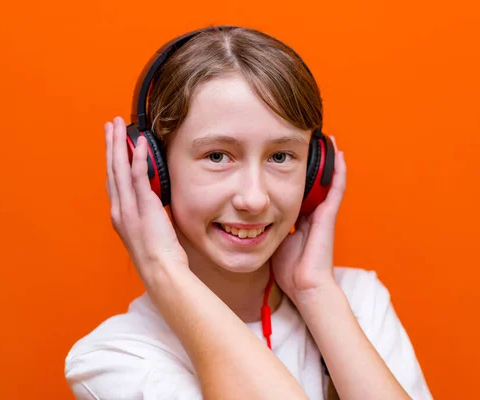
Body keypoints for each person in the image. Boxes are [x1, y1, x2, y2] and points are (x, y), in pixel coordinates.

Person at [64, 25, 433, 400]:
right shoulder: (113, 358)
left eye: (280, 156)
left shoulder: (358, 302)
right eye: (217, 156)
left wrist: (315, 292)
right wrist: (164, 271)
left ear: (314, 170)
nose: (254, 199)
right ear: (153, 171)